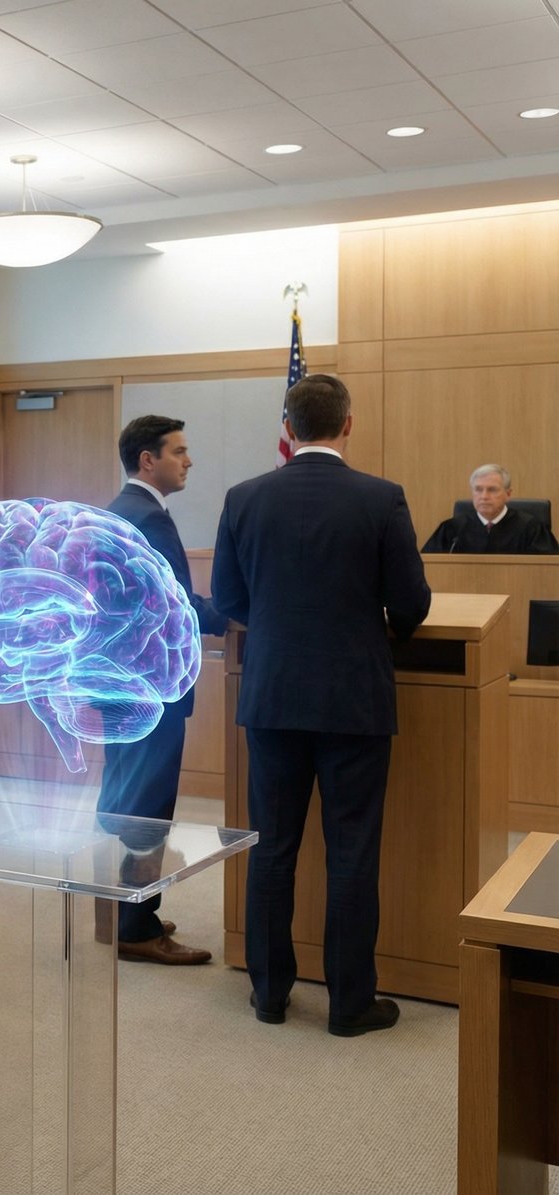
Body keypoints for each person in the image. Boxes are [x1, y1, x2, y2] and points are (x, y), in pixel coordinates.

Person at [212, 374, 431, 1037]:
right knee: (352, 852)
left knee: (272, 849)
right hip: (353, 700)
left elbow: (227, 597)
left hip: (272, 693)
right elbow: (412, 605)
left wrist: (280, 630)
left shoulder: (244, 496)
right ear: (348, 424)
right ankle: (349, 1003)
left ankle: (270, 994)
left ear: (289, 425)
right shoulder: (381, 498)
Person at [97, 415, 227, 965]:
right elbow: (174, 606)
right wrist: (229, 616)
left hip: (117, 682)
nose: (188, 460)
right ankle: (137, 928)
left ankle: (121, 912)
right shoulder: (150, 519)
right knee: (147, 808)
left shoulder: (115, 512)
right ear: (148, 460)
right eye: (179, 451)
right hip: (150, 686)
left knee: (124, 800)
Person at [421, 464, 559, 554]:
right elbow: (430, 565)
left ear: (508, 494)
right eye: (478, 490)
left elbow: (547, 571)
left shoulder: (531, 528)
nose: (484, 496)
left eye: (492, 490)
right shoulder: (452, 529)